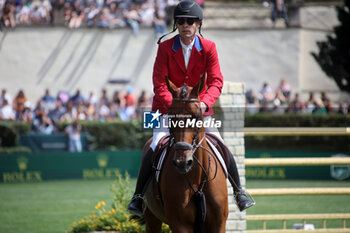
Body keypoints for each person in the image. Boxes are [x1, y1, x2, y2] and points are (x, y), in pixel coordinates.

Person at [127, 0, 254, 217]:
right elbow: (159, 83)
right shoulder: (165, 47)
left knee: (221, 145)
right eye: (182, 21)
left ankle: (239, 191)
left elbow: (216, 81)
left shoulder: (209, 48)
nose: (186, 25)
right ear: (176, 24)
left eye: (191, 21)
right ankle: (138, 197)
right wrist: (175, 105)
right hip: (167, 109)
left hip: (199, 110)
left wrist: (203, 103)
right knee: (155, 144)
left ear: (198, 24)